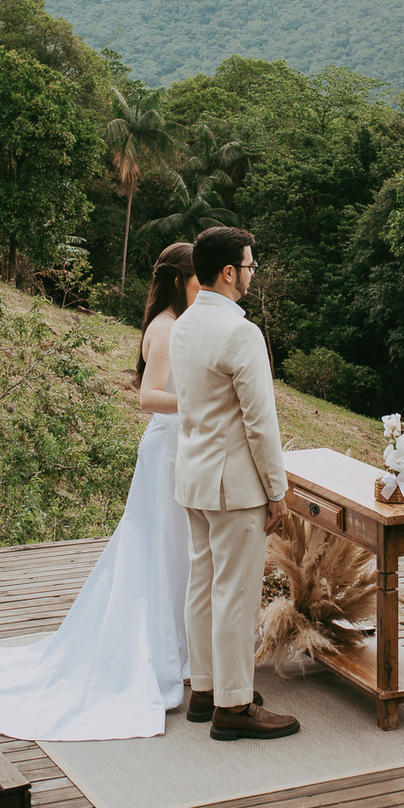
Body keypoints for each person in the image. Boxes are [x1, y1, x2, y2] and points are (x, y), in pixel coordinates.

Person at [0, 243, 199, 741]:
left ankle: (178, 653)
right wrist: (199, 401)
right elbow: (148, 397)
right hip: (166, 451)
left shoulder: (174, 324)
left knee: (168, 552)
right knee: (159, 551)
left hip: (174, 451)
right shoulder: (166, 328)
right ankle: (161, 658)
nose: (202, 288)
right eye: (196, 280)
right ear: (178, 282)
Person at [170, 225, 299, 740]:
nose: (251, 274)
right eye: (249, 266)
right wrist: (278, 490)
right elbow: (259, 422)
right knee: (236, 595)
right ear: (228, 272)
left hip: (194, 477)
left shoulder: (183, 325)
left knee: (201, 586)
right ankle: (235, 706)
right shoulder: (240, 333)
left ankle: (205, 689)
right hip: (235, 485)